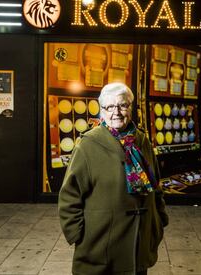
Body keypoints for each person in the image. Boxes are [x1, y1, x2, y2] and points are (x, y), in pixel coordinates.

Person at [58, 82, 169, 275]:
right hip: (101, 246)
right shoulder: (88, 145)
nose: (116, 112)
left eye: (122, 105)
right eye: (109, 107)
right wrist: (79, 235)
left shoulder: (142, 141)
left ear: (130, 107)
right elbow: (69, 196)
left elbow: (155, 184)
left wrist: (159, 220)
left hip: (140, 242)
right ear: (101, 110)